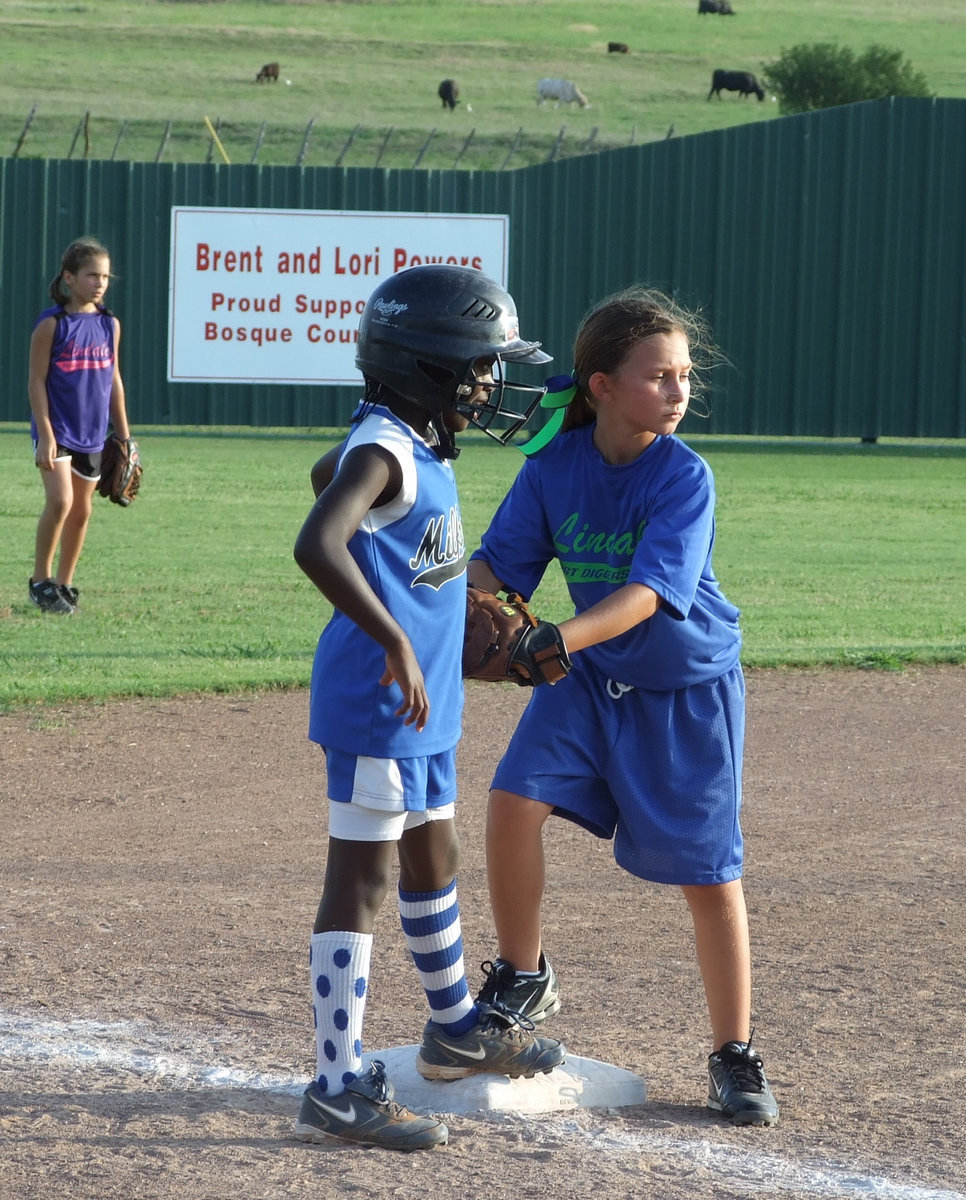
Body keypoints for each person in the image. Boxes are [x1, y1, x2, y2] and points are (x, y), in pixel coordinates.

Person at [467, 286, 780, 1127]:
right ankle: (524, 975)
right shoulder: (555, 468)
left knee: (708, 877)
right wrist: (452, 611)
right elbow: (497, 568)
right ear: (601, 385)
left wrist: (560, 638)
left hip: (684, 690)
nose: (679, 392)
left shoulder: (684, 475)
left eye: (684, 377)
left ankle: (733, 1053)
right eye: (658, 377)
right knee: (510, 803)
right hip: (592, 683)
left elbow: (648, 593)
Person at [291, 263, 565, 1152]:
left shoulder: (406, 442)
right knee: (361, 878)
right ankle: (336, 1085)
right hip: (380, 699)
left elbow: (322, 474)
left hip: (426, 707)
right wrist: (396, 637)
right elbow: (319, 541)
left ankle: (454, 1026)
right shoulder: (388, 449)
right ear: (426, 368)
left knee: (432, 848)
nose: (490, 383)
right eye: (479, 366)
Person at [27, 236, 132, 615]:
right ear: (68, 278)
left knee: (82, 510)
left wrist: (124, 436)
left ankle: (65, 584)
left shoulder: (109, 325)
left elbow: (114, 381)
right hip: (56, 430)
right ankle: (40, 581)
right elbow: (36, 381)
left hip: (92, 432)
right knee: (61, 500)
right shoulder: (52, 325)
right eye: (91, 275)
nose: (100, 282)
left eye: (105, 276)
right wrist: (45, 435)